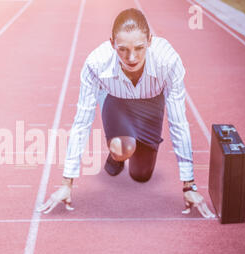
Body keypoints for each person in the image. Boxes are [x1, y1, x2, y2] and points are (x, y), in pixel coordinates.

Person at [37, 8, 215, 218]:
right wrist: (67, 182)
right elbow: (82, 122)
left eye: (139, 48)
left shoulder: (168, 62)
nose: (131, 57)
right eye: (122, 49)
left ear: (150, 40)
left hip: (151, 107)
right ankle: (117, 155)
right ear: (112, 42)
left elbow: (178, 122)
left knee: (141, 175)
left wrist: (189, 186)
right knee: (123, 147)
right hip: (116, 102)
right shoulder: (96, 63)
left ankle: (134, 147)